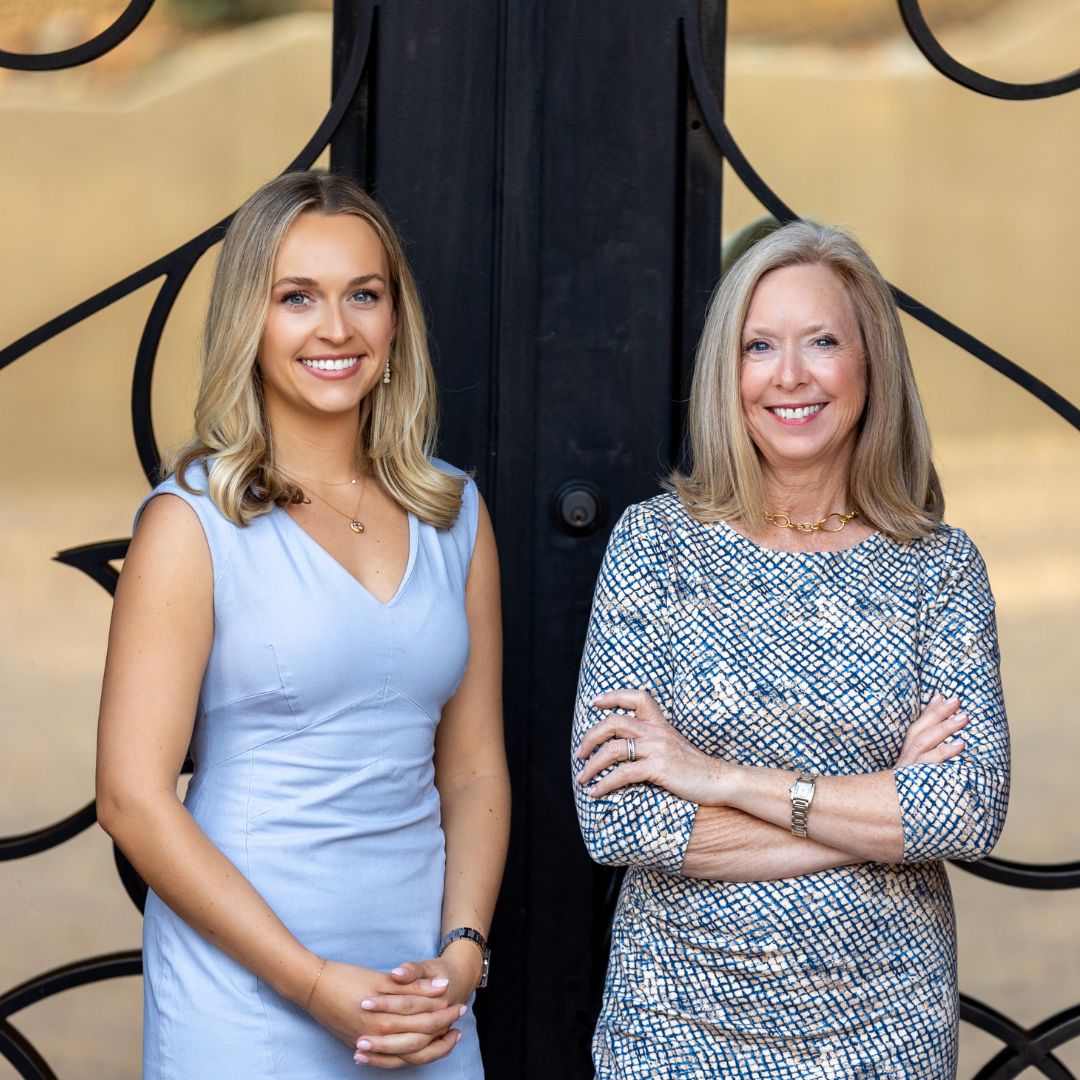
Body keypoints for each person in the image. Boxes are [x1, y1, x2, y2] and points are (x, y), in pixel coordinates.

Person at [572, 221, 1009, 1078]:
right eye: (759, 346)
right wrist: (883, 816)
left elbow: (965, 810)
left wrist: (719, 779)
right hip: (674, 1023)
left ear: (871, 363)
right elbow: (617, 818)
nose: (790, 376)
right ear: (726, 373)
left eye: (823, 342)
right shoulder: (657, 547)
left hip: (883, 1031)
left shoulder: (938, 567)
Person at [97, 171, 509, 1077]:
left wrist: (463, 954)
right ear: (250, 322)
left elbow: (475, 767)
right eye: (297, 297)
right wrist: (312, 982)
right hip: (245, 994)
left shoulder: (453, 513)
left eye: (363, 294)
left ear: (395, 320)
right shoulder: (191, 524)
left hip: (421, 998)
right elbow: (130, 798)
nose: (336, 328)